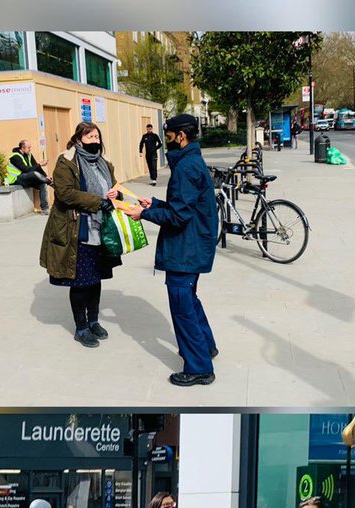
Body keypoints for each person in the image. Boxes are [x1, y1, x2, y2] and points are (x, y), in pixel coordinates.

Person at [135, 113, 220, 387]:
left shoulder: (185, 168)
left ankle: (199, 368)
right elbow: (183, 205)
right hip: (193, 244)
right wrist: (155, 204)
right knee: (190, 301)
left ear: (180, 136)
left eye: (169, 136)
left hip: (186, 249)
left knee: (182, 307)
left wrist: (143, 214)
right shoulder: (191, 161)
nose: (167, 141)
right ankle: (206, 346)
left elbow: (179, 216)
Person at [40, 122, 123, 349]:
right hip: (77, 228)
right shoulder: (67, 161)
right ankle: (81, 327)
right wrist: (98, 202)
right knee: (80, 282)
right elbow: (65, 194)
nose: (94, 140)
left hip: (101, 229)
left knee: (95, 279)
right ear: (79, 138)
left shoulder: (104, 163)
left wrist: (117, 193)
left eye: (97, 136)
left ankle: (94, 320)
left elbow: (115, 188)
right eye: (89, 136)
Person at [7, 139, 51, 213]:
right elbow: (25, 169)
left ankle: (45, 209)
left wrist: (45, 176)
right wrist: (39, 165)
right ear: (22, 148)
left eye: (30, 147)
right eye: (28, 148)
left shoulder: (29, 155)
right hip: (16, 179)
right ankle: (48, 181)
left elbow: (36, 167)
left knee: (42, 183)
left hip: (27, 178)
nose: (30, 149)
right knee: (33, 173)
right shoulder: (14, 157)